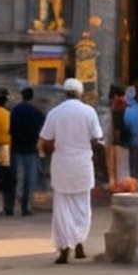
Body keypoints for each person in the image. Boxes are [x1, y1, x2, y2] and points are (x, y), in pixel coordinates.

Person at [41, 77, 104, 263]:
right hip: (82, 165)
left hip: (61, 165)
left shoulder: (55, 113)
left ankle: (64, 249)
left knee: (62, 209)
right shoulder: (89, 112)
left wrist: (50, 154)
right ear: (80, 93)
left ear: (64, 93)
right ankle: (78, 246)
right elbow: (97, 139)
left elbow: (46, 141)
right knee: (82, 208)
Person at [9, 86, 45, 216]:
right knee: (29, 179)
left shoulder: (15, 111)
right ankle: (26, 206)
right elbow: (43, 130)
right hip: (31, 149)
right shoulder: (37, 112)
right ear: (32, 97)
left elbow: (11, 130)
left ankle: (12, 206)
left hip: (16, 148)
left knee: (17, 178)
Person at [121, 86, 138, 180]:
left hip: (130, 140)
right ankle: (136, 178)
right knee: (137, 161)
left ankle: (132, 178)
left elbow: (125, 124)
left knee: (130, 161)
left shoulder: (125, 109)